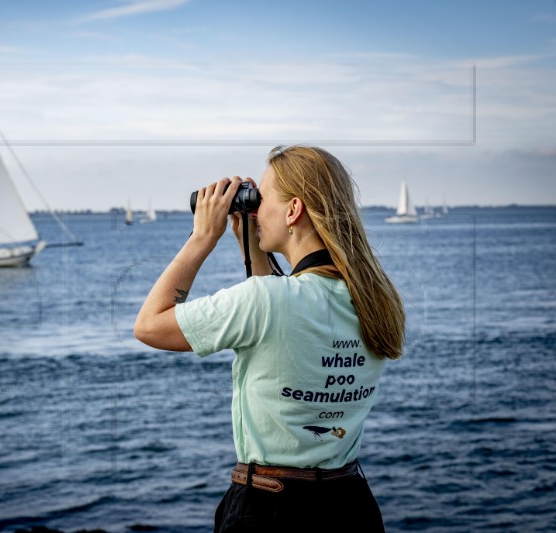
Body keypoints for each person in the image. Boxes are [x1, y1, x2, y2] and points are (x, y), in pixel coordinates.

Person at [134, 145, 404, 532]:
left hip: (268, 510)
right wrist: (250, 242)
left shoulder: (267, 301)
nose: (255, 209)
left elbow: (149, 325)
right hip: (351, 505)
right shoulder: (375, 298)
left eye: (261, 198)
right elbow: (280, 321)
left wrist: (202, 237)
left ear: (293, 210)